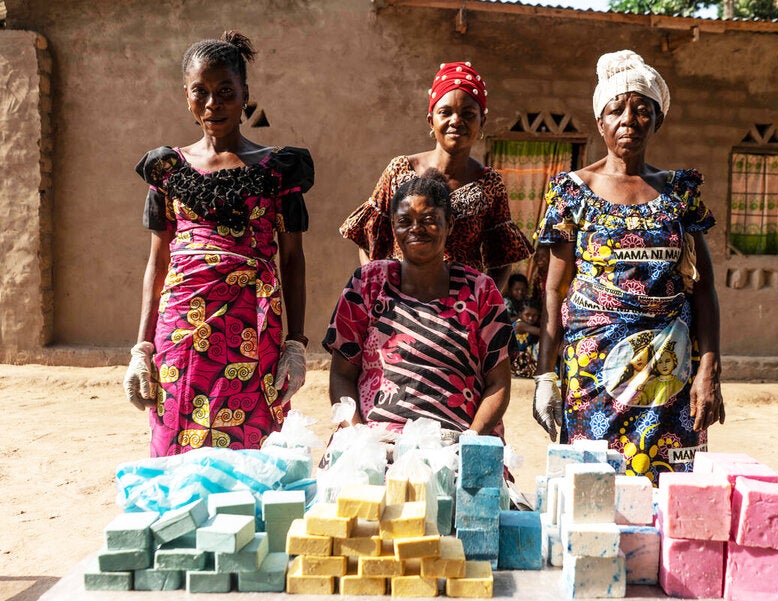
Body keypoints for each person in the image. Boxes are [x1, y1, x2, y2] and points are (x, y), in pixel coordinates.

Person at [531, 50, 725, 484]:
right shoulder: (572, 191)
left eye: (642, 110)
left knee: (672, 492)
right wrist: (545, 375)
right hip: (593, 372)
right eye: (616, 109)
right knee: (593, 494)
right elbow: (553, 290)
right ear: (600, 121)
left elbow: (704, 286)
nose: (629, 120)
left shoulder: (679, 193)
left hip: (669, 371)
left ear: (658, 121)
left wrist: (709, 369)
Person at [123, 31, 314, 456]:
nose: (214, 103)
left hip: (254, 329)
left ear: (245, 93)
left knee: (253, 447)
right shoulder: (168, 170)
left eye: (226, 90)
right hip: (181, 333)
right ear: (186, 97)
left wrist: (295, 344)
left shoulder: (279, 169)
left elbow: (294, 260)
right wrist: (142, 347)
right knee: (174, 440)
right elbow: (158, 262)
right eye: (201, 92)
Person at [324, 170, 512, 439]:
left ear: (450, 224)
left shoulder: (480, 291)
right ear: (393, 227)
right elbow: (341, 376)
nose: (416, 228)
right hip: (374, 439)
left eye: (429, 220)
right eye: (405, 221)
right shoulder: (367, 284)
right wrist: (357, 439)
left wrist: (470, 441)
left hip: (456, 440)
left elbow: (498, 383)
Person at [339, 61, 532, 291]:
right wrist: (381, 294)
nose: (456, 121)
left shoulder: (489, 185)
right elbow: (367, 239)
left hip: (460, 314)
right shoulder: (400, 170)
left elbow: (502, 260)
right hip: (400, 305)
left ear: (483, 122)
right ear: (431, 120)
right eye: (445, 112)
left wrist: (482, 308)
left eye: (469, 114)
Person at [511, 300, 541, 379]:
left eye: (534, 315)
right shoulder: (520, 325)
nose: (531, 318)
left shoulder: (532, 325)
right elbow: (542, 333)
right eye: (527, 315)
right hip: (515, 359)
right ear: (520, 314)